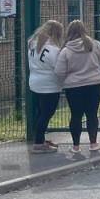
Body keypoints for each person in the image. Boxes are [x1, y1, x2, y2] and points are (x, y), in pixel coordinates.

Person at [54, 20, 100, 154]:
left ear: (69, 32)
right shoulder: (95, 44)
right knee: (92, 114)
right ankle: (93, 143)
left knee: (76, 115)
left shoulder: (65, 50)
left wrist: (66, 80)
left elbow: (59, 71)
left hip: (73, 87)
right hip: (94, 84)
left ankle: (76, 146)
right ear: (84, 30)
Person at [27, 20, 65, 153]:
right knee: (47, 113)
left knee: (40, 112)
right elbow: (58, 68)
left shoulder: (32, 44)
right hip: (50, 85)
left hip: (35, 82)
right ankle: (38, 143)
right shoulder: (54, 49)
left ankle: (41, 139)